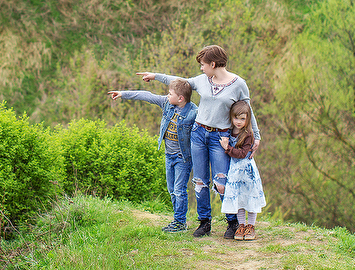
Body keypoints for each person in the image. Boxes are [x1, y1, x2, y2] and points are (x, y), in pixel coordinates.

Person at [136, 44, 260, 239]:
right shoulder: (203, 80)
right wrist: (155, 76)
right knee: (200, 181)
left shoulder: (238, 84)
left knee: (221, 182)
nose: (201, 68)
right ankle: (204, 222)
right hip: (199, 134)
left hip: (220, 138)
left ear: (213, 64)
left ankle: (232, 222)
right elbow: (179, 82)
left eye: (203, 64)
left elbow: (247, 110)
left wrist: (256, 136)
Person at [107, 79, 197, 233]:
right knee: (171, 189)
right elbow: (146, 96)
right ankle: (177, 220)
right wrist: (123, 94)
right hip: (169, 155)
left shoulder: (193, 112)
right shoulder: (167, 103)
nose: (167, 96)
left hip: (183, 158)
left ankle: (180, 222)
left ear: (181, 98)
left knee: (179, 190)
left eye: (170, 94)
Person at [219, 100, 266, 241]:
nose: (238, 122)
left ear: (247, 119)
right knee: (239, 199)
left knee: (250, 198)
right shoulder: (229, 132)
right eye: (236, 118)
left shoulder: (248, 134)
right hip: (235, 172)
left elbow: (242, 154)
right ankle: (241, 225)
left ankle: (250, 226)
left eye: (242, 119)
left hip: (246, 172)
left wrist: (227, 148)